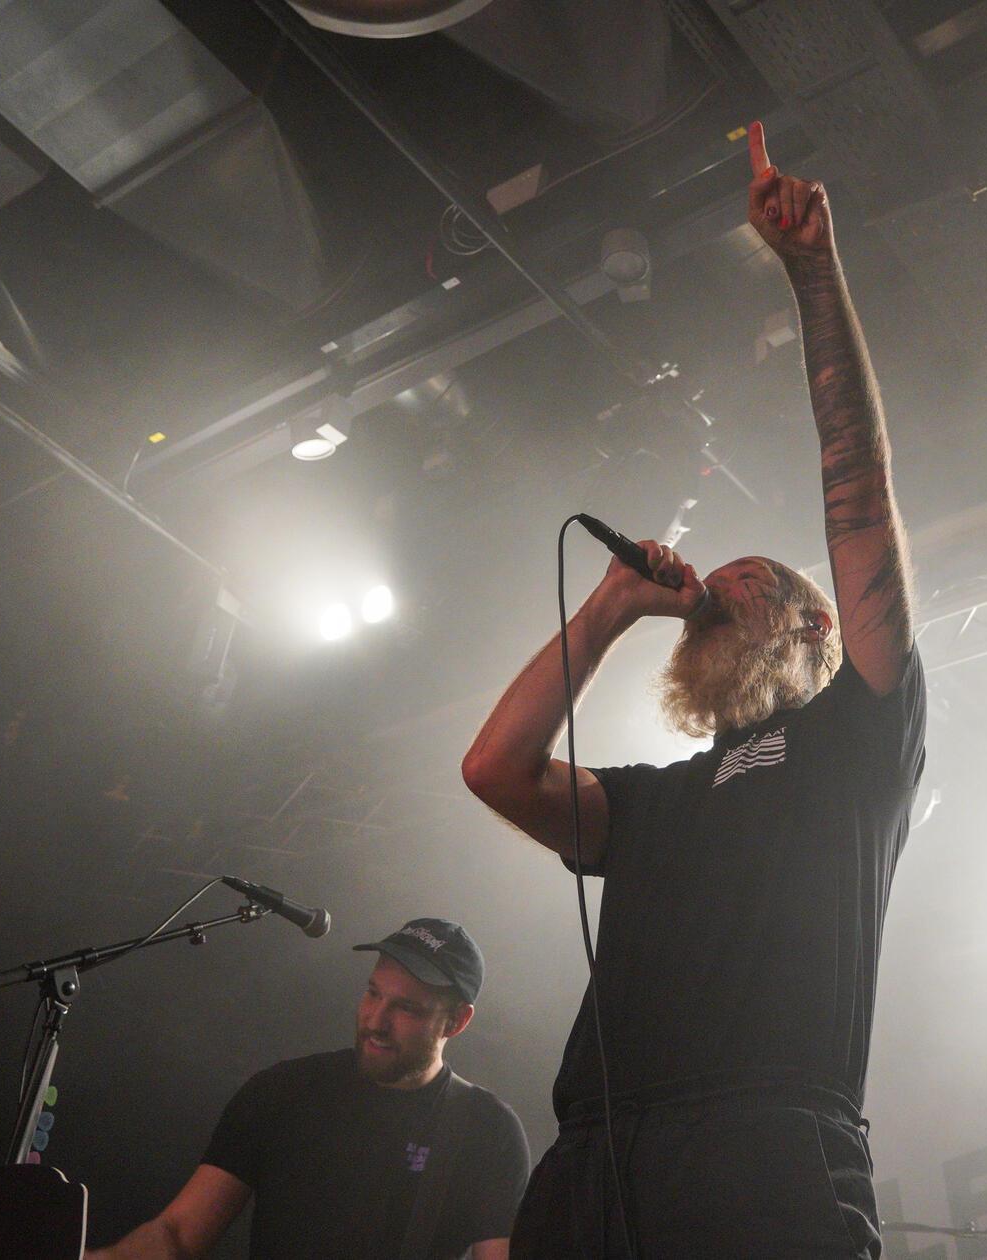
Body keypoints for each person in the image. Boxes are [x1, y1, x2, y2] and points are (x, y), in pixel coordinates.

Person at [462, 120, 924, 1259]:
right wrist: (612, 609)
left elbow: (857, 490)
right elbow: (495, 769)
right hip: (596, 1158)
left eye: (750, 581)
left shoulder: (857, 733)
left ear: (814, 626)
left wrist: (813, 273)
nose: (717, 585)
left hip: (763, 1148)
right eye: (711, 581)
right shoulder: (655, 798)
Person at [90, 918, 530, 1260]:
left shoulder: (486, 1131)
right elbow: (178, 1236)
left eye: (406, 1008)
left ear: (456, 1021)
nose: (375, 1021)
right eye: (373, 993)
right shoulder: (282, 1092)